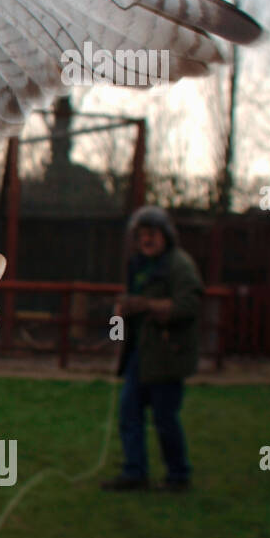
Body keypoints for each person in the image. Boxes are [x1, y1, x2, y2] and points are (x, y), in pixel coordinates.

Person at [101, 205, 204, 492]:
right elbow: (137, 303)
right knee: (129, 413)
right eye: (142, 235)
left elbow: (190, 305)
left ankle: (178, 476)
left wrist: (146, 305)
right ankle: (135, 472)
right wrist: (126, 307)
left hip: (168, 355)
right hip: (140, 354)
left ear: (166, 236)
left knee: (164, 419)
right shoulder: (138, 265)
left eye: (153, 234)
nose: (147, 240)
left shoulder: (180, 265)